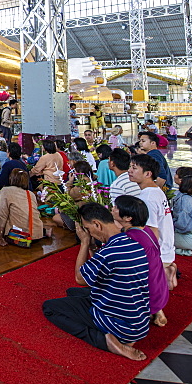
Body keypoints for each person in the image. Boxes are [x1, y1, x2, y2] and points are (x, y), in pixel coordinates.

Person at [42, 202, 149, 361]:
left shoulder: (108, 253)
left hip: (121, 325)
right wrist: (92, 247)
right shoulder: (131, 243)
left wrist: (84, 243)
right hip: (139, 322)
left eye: (88, 228)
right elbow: (101, 272)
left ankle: (106, 341)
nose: (88, 232)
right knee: (73, 293)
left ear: (97, 224)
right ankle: (119, 335)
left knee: (50, 307)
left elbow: (80, 278)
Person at [113, 195, 169, 327]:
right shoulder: (147, 231)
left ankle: (148, 310)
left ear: (128, 218)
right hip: (160, 293)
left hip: (146, 298)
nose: (113, 209)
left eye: (116, 207)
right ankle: (156, 309)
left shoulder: (131, 239)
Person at [128, 154, 177, 288]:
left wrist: (150, 258)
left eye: (134, 168)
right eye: (130, 167)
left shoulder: (147, 197)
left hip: (160, 254)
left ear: (148, 173)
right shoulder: (156, 190)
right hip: (168, 249)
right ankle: (166, 269)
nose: (130, 171)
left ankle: (162, 272)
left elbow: (151, 232)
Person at [0, 168, 48, 245]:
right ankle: (45, 232)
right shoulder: (30, 194)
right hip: (37, 235)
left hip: (21, 237)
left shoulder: (6, 191)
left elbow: (2, 215)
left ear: (11, 178)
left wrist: (0, 236)